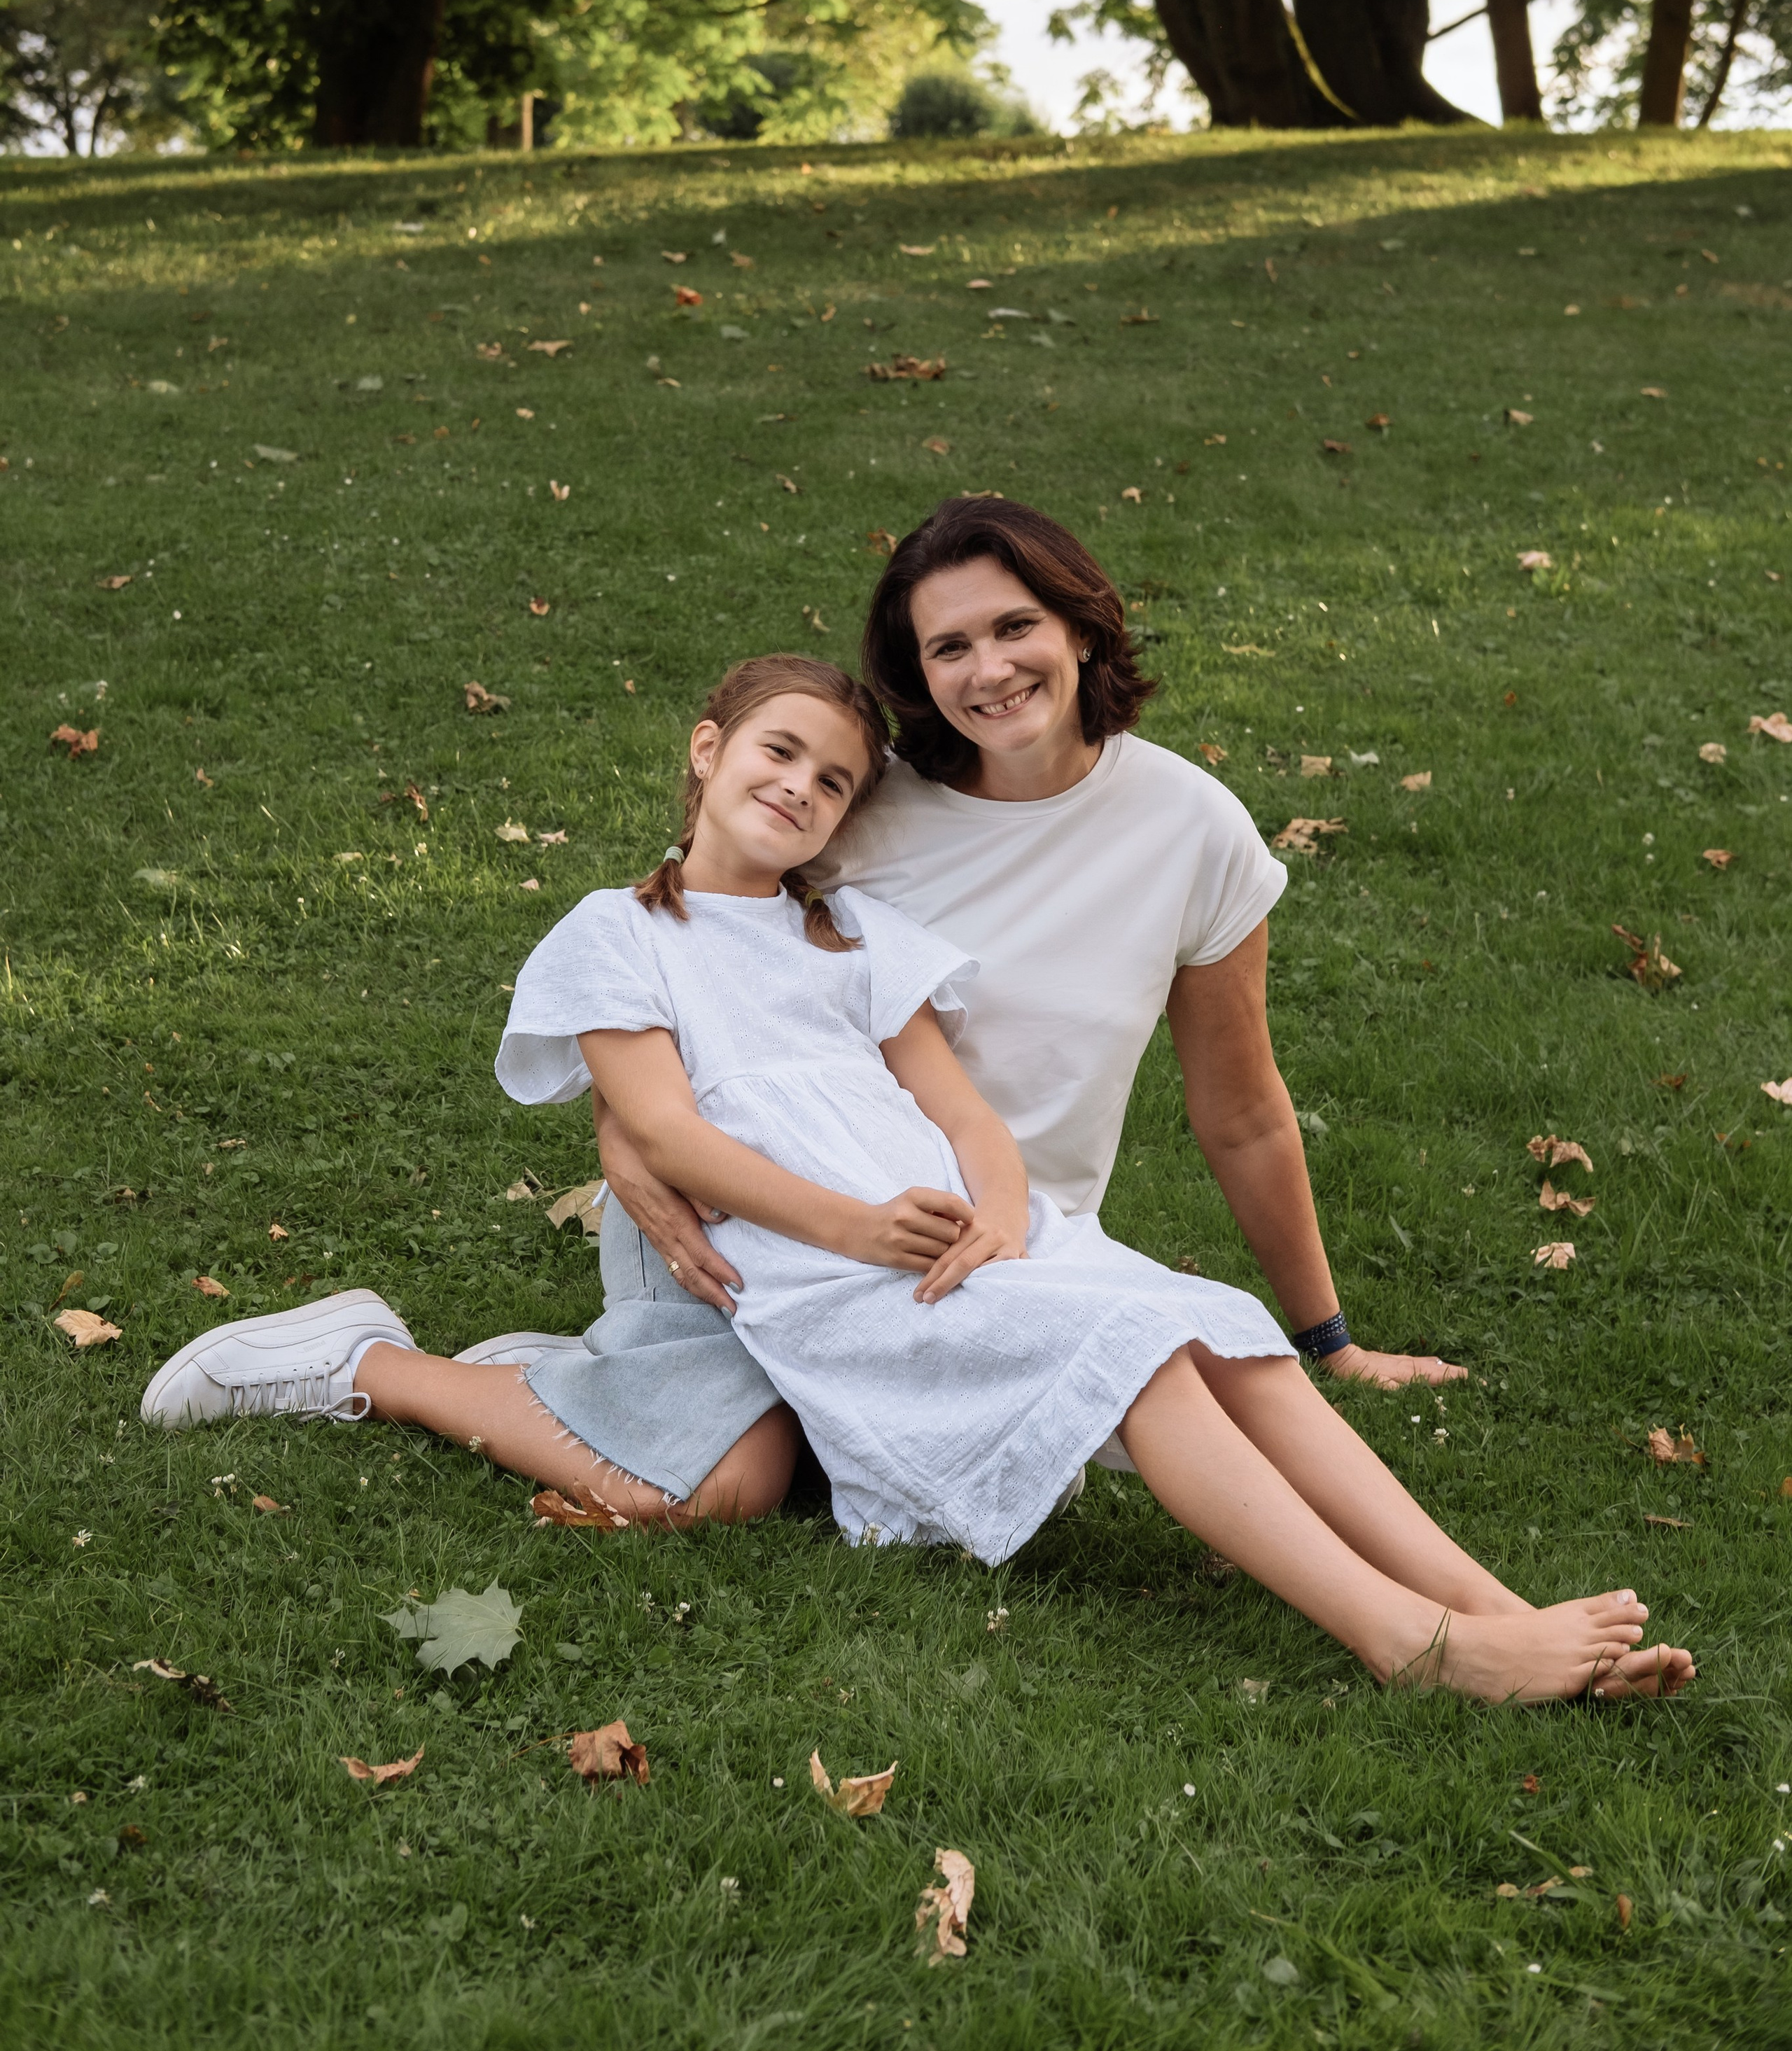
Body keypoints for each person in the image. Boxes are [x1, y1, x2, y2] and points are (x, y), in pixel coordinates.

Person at [138, 654, 1691, 1704]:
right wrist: (852, 1226)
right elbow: (665, 1141)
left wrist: (1006, 1214)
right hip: (790, 1263)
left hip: (940, 1246)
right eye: (776, 757)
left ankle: (1481, 1607)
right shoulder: (619, 935)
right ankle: (1401, 1643)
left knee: (1214, 1331)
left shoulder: (854, 936)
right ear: (703, 753)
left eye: (830, 781)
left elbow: (961, 1113)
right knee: (1029, 1389)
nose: (802, 791)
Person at [579, 496, 1462, 1515]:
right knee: (736, 1476)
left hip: (1020, 1238)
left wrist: (1331, 1343)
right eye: (949, 646)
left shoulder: (1193, 830)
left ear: (1082, 629)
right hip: (801, 1235)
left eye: (1014, 627)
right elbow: (683, 944)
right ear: (919, 674)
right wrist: (625, 1136)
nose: (988, 671)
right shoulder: (860, 813)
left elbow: (1245, 1111)